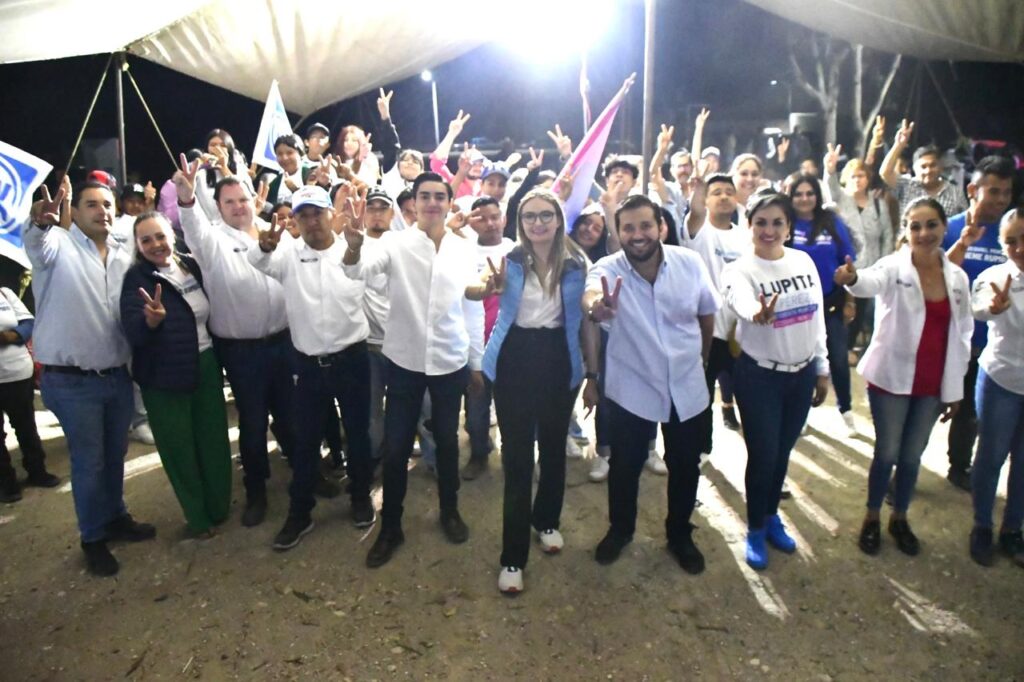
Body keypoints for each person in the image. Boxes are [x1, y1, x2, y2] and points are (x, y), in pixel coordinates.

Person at [342, 172, 487, 568]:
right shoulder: (395, 243)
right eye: (425, 196)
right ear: (415, 203)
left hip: (449, 361)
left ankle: (449, 510)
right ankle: (391, 526)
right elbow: (358, 270)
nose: (432, 202)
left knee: (446, 440)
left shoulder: (462, 247)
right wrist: (353, 247)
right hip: (404, 362)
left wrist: (487, 289)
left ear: (449, 202)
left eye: (440, 196)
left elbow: (470, 296)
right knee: (396, 446)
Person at [24, 181, 156, 577]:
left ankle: (116, 517)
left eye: (107, 204)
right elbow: (36, 243)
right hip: (72, 382)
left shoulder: (122, 255)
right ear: (76, 212)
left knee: (114, 455)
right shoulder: (56, 246)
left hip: (116, 376)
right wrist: (41, 223)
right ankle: (93, 536)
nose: (103, 211)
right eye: (92, 204)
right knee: (89, 460)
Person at [584, 195, 719, 573]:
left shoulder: (689, 263)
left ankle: (680, 535)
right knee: (625, 466)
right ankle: (620, 530)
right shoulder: (607, 268)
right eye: (628, 228)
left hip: (686, 384)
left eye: (645, 225)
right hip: (632, 386)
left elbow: (706, 314)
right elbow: (591, 297)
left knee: (685, 465)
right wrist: (598, 307)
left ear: (661, 226)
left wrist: (702, 360)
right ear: (618, 232)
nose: (637, 234)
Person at [835, 198, 972, 557]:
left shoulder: (957, 277)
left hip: (932, 384)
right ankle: (871, 517)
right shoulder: (893, 266)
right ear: (906, 231)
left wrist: (954, 388)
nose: (923, 233)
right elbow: (868, 281)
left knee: (912, 457)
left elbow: (962, 334)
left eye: (931, 225)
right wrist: (852, 278)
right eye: (915, 226)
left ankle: (900, 517)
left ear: (944, 228)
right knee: (887, 453)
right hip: (891, 379)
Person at [483, 188, 598, 593]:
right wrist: (487, 288)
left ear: (558, 219)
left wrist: (592, 374)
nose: (537, 223)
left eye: (545, 215)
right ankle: (512, 558)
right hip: (514, 357)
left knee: (552, 450)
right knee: (517, 460)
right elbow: (477, 287)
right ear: (520, 222)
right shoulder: (509, 260)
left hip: (558, 358)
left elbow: (587, 315)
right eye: (529, 216)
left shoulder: (577, 263)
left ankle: (546, 519)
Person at [250, 185, 376, 549]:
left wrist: (356, 247)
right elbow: (259, 262)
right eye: (302, 215)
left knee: (358, 434)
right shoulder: (288, 255)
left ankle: (360, 496)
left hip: (352, 360)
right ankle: (300, 512)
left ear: (330, 214)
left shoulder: (353, 250)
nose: (311, 221)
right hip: (307, 366)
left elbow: (369, 276)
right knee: (305, 442)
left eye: (317, 213)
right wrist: (264, 247)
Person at [175, 156, 295, 528]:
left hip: (285, 342)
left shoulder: (274, 230)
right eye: (229, 202)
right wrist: (187, 199)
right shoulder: (211, 240)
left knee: (291, 416)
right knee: (254, 423)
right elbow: (193, 226)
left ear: (254, 200)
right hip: (243, 351)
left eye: (243, 199)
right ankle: (256, 491)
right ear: (219, 207)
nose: (238, 206)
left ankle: (305, 472)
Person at [721, 191, 830, 570]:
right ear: (749, 225)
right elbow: (739, 300)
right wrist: (757, 312)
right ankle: (754, 527)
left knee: (782, 452)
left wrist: (822, 368)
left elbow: (817, 319)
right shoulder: (739, 270)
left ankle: (770, 516)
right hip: (759, 378)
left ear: (789, 227)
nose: (769, 230)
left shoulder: (803, 261)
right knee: (763, 455)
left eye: (777, 223)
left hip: (801, 375)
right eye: (761, 223)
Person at [120, 213, 232, 537]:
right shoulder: (136, 279)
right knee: (179, 449)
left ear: (172, 234)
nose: (156, 244)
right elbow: (133, 330)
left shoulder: (190, 264)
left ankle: (219, 508)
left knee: (213, 440)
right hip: (163, 376)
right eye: (146, 240)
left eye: (160, 236)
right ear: (138, 246)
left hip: (205, 364)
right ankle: (198, 518)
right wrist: (151, 321)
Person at [942, 156, 1016, 490]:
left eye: (1007, 193)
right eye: (994, 191)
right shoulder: (948, 229)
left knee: (970, 412)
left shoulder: (1011, 236)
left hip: (988, 345)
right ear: (972, 190)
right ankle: (902, 471)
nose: (1001, 200)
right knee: (929, 407)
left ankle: (959, 466)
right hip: (946, 339)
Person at [968, 209, 1024, 567]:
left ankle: (1013, 529)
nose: (1019, 248)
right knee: (990, 457)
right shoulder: (994, 277)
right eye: (1011, 241)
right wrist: (993, 307)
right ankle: (982, 526)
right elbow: (977, 309)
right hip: (1000, 381)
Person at [787, 174, 859, 436]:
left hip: (831, 302)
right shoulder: (785, 222)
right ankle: (801, 412)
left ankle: (846, 410)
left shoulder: (831, 221)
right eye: (798, 194)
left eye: (809, 193)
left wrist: (850, 300)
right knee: (803, 361)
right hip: (796, 305)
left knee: (838, 358)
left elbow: (848, 264)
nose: (804, 199)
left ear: (817, 196)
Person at [685, 173, 749, 444]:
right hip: (706, 333)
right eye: (716, 192)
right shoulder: (699, 232)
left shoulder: (747, 237)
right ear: (706, 200)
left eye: (728, 192)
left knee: (748, 398)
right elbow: (695, 213)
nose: (723, 196)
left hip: (740, 333)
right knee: (702, 396)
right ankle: (702, 448)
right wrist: (698, 190)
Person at [461, 196, 516, 481]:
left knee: (512, 408)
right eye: (482, 218)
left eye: (495, 216)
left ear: (504, 219)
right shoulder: (462, 251)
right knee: (475, 412)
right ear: (472, 222)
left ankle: (513, 455)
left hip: (511, 346)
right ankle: (479, 454)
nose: (490, 223)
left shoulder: (517, 251)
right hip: (476, 345)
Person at [823, 147, 895, 352]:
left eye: (861, 175)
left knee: (868, 313)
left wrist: (886, 263)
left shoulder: (879, 203)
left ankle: (865, 348)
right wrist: (830, 169)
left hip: (873, 267)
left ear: (868, 178)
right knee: (845, 313)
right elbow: (831, 186)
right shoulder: (840, 198)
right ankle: (843, 350)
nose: (857, 180)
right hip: (845, 267)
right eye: (853, 176)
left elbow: (887, 234)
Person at [0, 286, 58, 503]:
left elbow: (28, 323)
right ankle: (6, 483)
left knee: (26, 427)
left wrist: (10, 336)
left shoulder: (5, 293)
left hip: (17, 373)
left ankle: (37, 471)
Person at [879, 119, 967, 217]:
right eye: (923, 167)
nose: (928, 171)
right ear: (914, 169)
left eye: (932, 165)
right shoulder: (906, 185)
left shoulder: (955, 193)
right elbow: (885, 173)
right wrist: (898, 145)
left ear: (941, 167)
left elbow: (965, 220)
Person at [194, 128, 254, 221]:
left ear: (229, 148)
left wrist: (224, 168)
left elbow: (246, 196)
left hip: (237, 223)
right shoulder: (200, 173)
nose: (218, 149)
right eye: (213, 145)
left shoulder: (240, 170)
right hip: (210, 225)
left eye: (223, 145)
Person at [376, 89, 425, 202]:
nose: (410, 163)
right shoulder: (392, 173)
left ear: (422, 170)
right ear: (397, 165)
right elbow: (391, 145)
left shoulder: (426, 188)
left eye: (415, 161)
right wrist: (385, 116)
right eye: (405, 160)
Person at [265, 134, 313, 208]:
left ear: (301, 154)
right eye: (280, 154)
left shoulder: (311, 175)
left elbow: (313, 202)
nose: (284, 158)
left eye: (289, 153)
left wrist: (294, 189)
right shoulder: (274, 183)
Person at [729, 154, 765, 228]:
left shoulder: (765, 210)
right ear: (733, 176)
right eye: (744, 174)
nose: (749, 179)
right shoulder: (724, 209)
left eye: (754, 174)